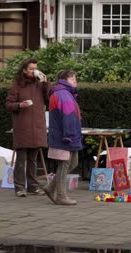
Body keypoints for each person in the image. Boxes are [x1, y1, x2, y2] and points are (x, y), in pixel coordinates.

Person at [5, 58, 49, 197]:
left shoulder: (39, 83)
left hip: (37, 126)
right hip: (23, 126)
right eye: (31, 69)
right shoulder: (17, 85)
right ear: (24, 70)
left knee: (33, 160)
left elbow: (50, 96)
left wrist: (46, 81)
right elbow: (8, 104)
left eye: (35, 68)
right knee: (21, 159)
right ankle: (19, 187)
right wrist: (20, 105)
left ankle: (33, 186)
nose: (34, 71)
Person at [43, 70, 82, 205]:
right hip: (65, 137)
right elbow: (68, 117)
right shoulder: (63, 95)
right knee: (64, 165)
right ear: (64, 80)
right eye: (73, 78)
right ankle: (61, 196)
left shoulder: (63, 93)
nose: (75, 81)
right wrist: (69, 136)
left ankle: (50, 187)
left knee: (73, 163)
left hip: (66, 135)